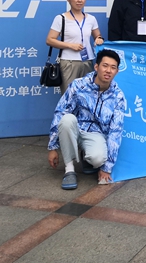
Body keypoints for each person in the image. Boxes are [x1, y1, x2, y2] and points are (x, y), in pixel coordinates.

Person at [47, 49, 126, 190]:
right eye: (105, 66)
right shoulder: (78, 85)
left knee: (98, 159)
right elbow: (60, 111)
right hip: (75, 128)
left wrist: (106, 168)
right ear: (96, 67)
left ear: (117, 71)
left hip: (95, 134)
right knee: (67, 119)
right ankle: (69, 170)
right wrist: (53, 147)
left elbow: (116, 131)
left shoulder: (118, 96)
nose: (108, 70)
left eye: (113, 67)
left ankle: (86, 156)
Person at [46, 0, 104, 94]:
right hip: (68, 62)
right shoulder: (61, 18)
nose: (79, 0)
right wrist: (70, 45)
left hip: (87, 61)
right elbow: (50, 40)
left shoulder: (91, 19)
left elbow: (98, 36)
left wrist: (99, 39)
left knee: (87, 95)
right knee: (69, 95)